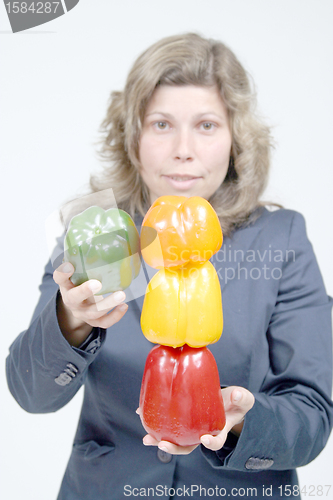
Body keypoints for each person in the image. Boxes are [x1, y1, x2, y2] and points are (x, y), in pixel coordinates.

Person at [6, 33, 333, 499]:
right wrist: (71, 321)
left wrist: (243, 422)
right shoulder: (96, 234)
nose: (183, 149)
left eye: (206, 125)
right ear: (132, 136)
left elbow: (313, 415)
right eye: (161, 124)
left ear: (236, 139)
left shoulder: (281, 241)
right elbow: (31, 394)